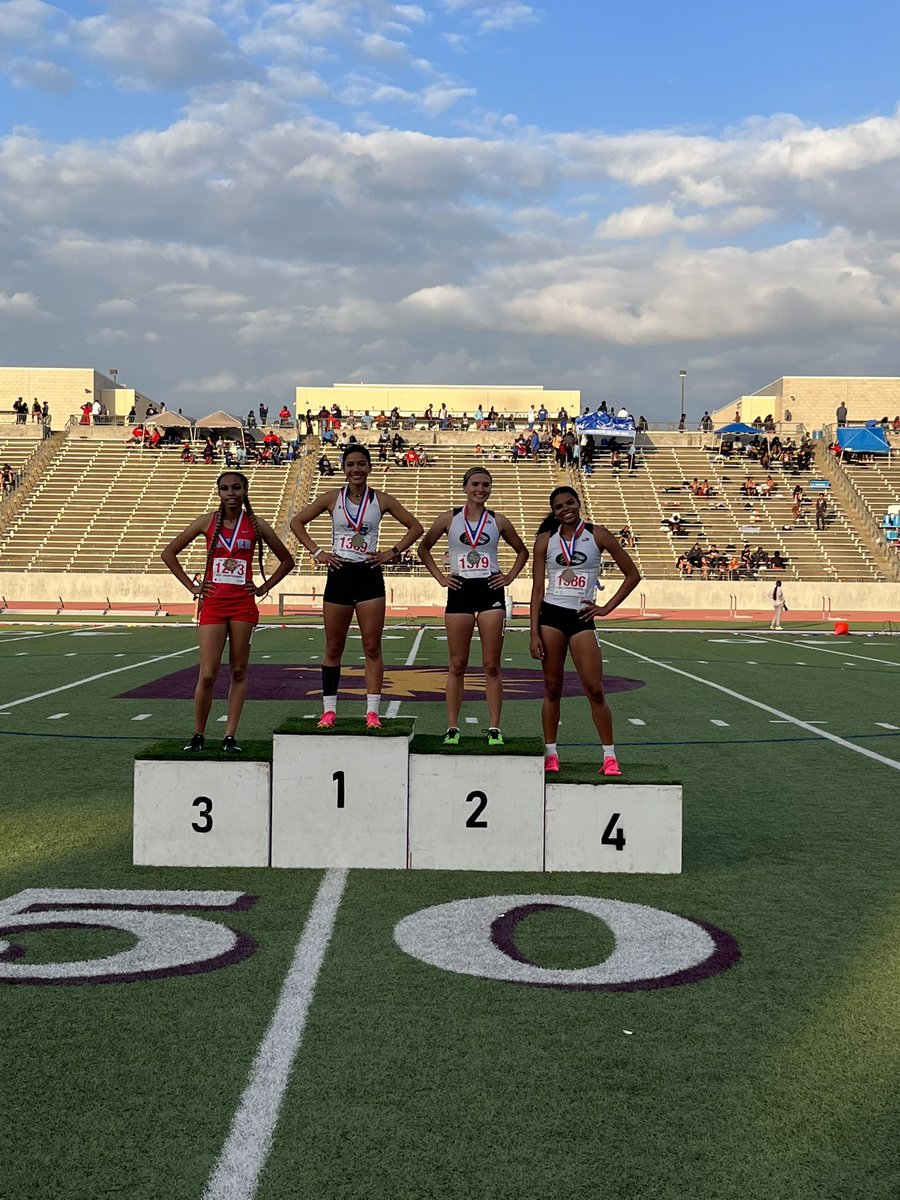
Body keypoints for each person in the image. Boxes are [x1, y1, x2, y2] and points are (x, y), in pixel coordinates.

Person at [290, 445, 423, 730]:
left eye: (361, 464)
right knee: (333, 646)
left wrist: (392, 552)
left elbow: (415, 527)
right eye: (350, 464)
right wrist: (317, 552)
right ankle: (329, 710)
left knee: (372, 646)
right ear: (343, 468)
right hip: (339, 573)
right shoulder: (331, 498)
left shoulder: (382, 499)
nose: (356, 469)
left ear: (370, 467)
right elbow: (297, 522)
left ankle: (372, 711)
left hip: (368, 574)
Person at [161, 472, 295, 752]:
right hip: (213, 605)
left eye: (236, 488)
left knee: (238, 671)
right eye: (224, 488)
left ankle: (230, 736)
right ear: (218, 492)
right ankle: (198, 734)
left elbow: (287, 560)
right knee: (207, 674)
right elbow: (169, 553)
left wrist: (263, 587)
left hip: (243, 606)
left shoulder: (256, 524)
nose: (230, 493)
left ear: (245, 490)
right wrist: (193, 587)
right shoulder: (207, 521)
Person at [530, 486, 640, 777]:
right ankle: (551, 753)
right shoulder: (545, 540)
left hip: (582, 617)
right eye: (559, 506)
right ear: (554, 512)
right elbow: (537, 589)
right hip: (551, 616)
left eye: (570, 503)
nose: (565, 509)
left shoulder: (598, 535)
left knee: (595, 689)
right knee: (552, 688)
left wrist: (606, 608)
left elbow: (633, 574)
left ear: (578, 503)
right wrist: (533, 633)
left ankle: (609, 756)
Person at [418, 468, 529, 747]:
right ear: (465, 487)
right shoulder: (449, 518)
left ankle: (494, 728)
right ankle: (452, 727)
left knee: (491, 665)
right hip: (460, 590)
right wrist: (441, 578)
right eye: (476, 484)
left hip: (490, 591)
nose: (481, 489)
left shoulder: (498, 521)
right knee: (457, 664)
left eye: (486, 485)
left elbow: (522, 551)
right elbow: (424, 548)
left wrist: (509, 577)